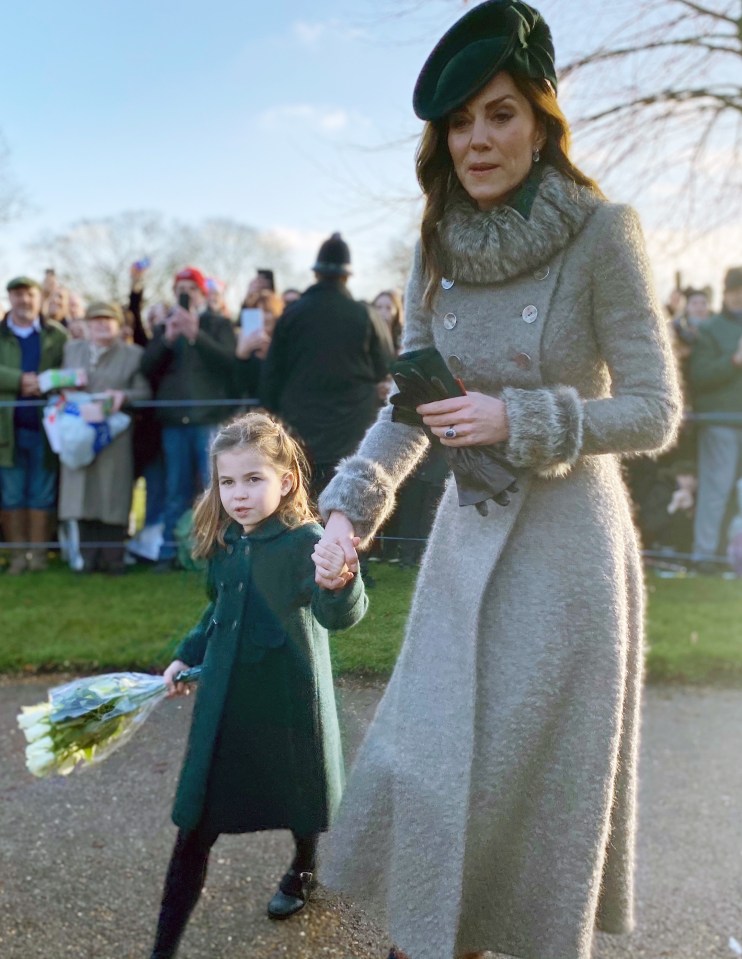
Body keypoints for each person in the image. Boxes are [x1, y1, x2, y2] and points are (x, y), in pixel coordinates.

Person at [311, 4, 682, 959]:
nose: (479, 139)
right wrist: (352, 505)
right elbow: (412, 401)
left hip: (567, 560)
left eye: (502, 113)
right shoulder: (436, 241)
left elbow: (653, 409)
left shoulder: (605, 232)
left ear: (543, 119)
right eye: (461, 121)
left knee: (525, 790)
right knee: (430, 767)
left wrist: (523, 417)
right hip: (466, 546)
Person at [148, 411, 367, 959]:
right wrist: (186, 656)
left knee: (300, 800)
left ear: (286, 481)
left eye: (253, 479)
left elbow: (337, 615)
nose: (238, 494)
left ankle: (303, 867)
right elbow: (218, 611)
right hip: (224, 707)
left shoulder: (308, 542)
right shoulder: (227, 541)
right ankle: (162, 950)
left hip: (290, 704)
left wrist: (342, 580)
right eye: (227, 482)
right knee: (194, 823)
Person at [261, 233, 393, 498]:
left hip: (300, 433)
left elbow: (270, 380)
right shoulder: (365, 315)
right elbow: (385, 366)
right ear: (347, 276)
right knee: (349, 516)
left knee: (302, 512)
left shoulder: (291, 315)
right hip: (353, 434)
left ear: (317, 274)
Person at [140, 267, 236, 570]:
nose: (186, 292)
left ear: (202, 293)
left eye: (191, 288)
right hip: (173, 422)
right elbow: (146, 368)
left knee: (214, 490)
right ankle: (167, 554)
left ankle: (220, 554)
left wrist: (197, 335)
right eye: (180, 287)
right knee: (174, 491)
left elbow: (229, 362)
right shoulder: (164, 328)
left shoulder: (218, 324)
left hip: (208, 420)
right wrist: (167, 339)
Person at [57, 302, 151, 574]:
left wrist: (125, 397)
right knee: (81, 493)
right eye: (96, 320)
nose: (102, 325)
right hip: (77, 431)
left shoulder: (133, 355)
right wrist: (66, 384)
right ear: (86, 325)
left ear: (119, 325)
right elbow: (58, 382)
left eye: (108, 320)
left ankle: (113, 560)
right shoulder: (72, 349)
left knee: (113, 493)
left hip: (114, 433)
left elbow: (144, 392)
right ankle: (85, 560)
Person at [0, 276, 67, 573]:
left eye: (29, 294)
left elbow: (70, 369)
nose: (23, 300)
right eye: (17, 295)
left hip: (46, 429)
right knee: (12, 494)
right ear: (10, 299)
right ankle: (17, 558)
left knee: (42, 492)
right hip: (7, 431)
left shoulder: (56, 334)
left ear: (38, 298)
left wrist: (46, 382)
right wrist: (19, 381)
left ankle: (39, 557)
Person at [689, 266, 742, 569]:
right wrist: (733, 361)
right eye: (734, 290)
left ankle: (734, 559)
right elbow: (699, 376)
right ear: (726, 293)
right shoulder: (710, 330)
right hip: (720, 422)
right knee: (715, 492)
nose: (739, 296)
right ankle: (703, 556)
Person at [233, 288, 283, 399]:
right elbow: (238, 387)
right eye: (257, 312)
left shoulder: (284, 342)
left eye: (267, 311)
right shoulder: (242, 342)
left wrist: (271, 355)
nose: (263, 317)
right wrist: (241, 357)